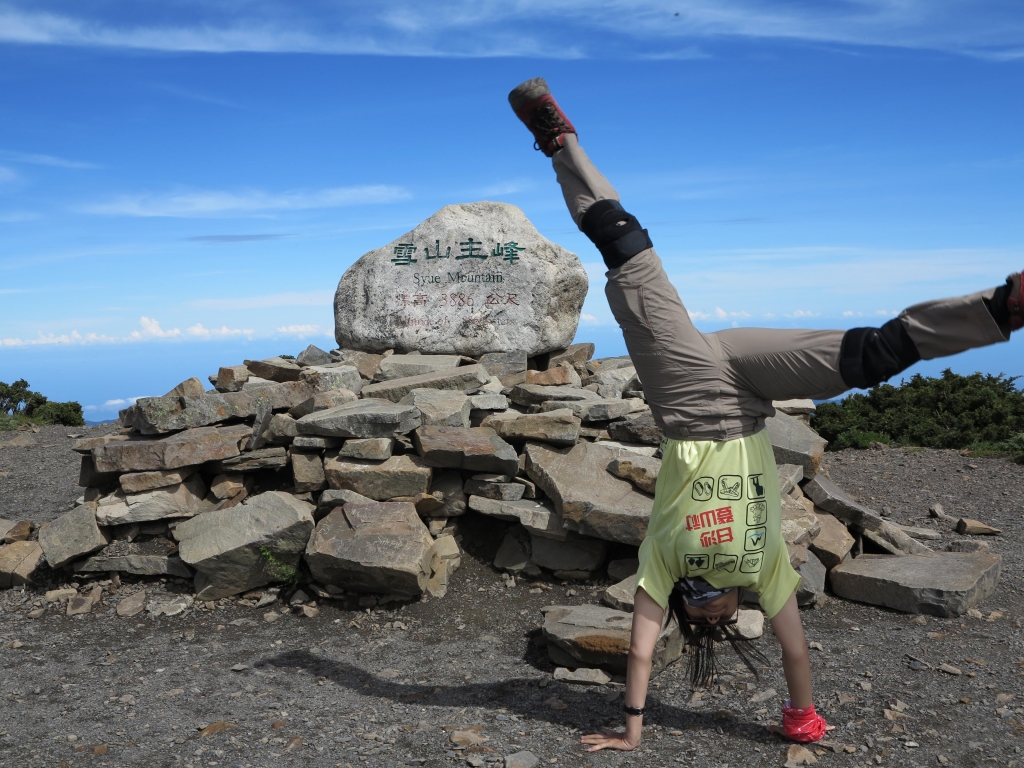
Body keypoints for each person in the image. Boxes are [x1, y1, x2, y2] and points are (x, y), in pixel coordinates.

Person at [506, 76, 1023, 753]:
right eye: (715, 611)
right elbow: (797, 655)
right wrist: (802, 721)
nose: (709, 606)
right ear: (730, 611)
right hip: (751, 398)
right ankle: (1005, 306)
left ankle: (558, 142)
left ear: (686, 614)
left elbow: (637, 656)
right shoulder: (763, 568)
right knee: (871, 356)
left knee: (623, 241)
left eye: (699, 610)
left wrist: (630, 730)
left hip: (689, 390)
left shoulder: (664, 563)